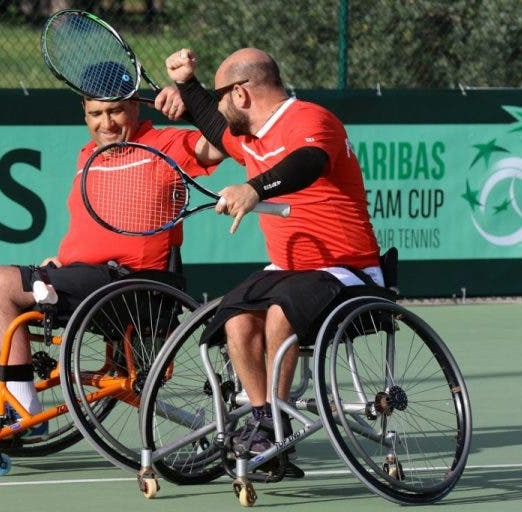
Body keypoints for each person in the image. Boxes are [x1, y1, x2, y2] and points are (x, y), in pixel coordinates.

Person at [0, 63, 223, 438]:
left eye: (115, 111)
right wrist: (62, 261)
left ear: (135, 106)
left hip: (131, 286)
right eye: (95, 114)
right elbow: (90, 229)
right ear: (84, 114)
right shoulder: (87, 156)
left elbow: (222, 144)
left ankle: (24, 415)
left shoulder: (164, 146)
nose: (106, 123)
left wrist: (194, 103)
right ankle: (16, 403)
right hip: (85, 278)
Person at [164, 47, 384, 477]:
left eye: (220, 93)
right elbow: (212, 120)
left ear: (241, 94)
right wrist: (186, 84)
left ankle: (274, 422)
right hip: (288, 270)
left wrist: (255, 188)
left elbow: (309, 163)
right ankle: (265, 424)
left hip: (348, 270)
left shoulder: (310, 119)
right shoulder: (249, 137)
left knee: (281, 310)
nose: (219, 103)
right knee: (238, 319)